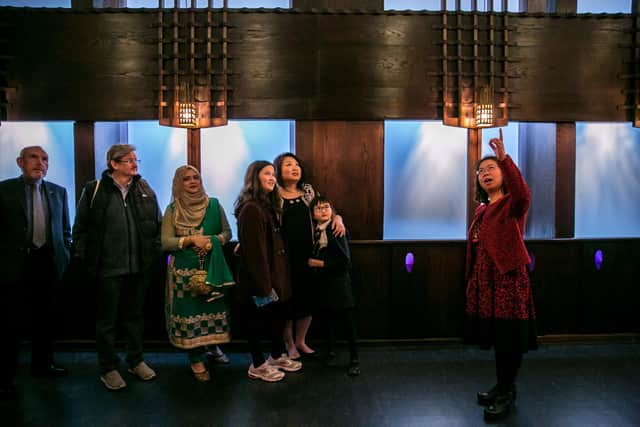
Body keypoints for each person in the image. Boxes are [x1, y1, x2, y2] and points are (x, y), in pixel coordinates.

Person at [72, 144, 162, 391]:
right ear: (114, 164)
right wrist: (88, 257)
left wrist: (153, 254)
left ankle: (135, 360)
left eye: (136, 159)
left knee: (135, 318)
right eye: (129, 160)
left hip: (139, 268)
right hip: (107, 268)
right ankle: (108, 367)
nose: (134, 163)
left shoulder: (144, 188)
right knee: (107, 321)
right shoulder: (95, 190)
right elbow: (79, 229)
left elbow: (157, 222)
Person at [464, 129, 537, 421]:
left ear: (504, 174)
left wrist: (504, 157)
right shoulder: (481, 210)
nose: (485, 173)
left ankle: (508, 392)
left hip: (508, 280)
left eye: (491, 168)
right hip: (486, 281)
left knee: (510, 338)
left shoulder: (512, 204)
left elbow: (524, 192)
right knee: (498, 338)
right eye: (481, 171)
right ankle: (502, 385)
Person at [0, 146, 71, 400]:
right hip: (15, 265)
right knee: (10, 324)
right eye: (34, 157)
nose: (40, 163)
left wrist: (64, 254)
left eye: (45, 159)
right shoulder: (5, 190)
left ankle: (42, 366)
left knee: (46, 320)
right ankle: (5, 377)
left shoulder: (58, 192)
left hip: (47, 263)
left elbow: (65, 230)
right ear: (20, 162)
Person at [161, 165, 234, 382]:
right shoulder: (172, 210)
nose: (193, 182)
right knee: (190, 316)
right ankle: (195, 358)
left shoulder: (214, 205)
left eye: (196, 178)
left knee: (212, 309)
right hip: (183, 273)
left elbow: (227, 233)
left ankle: (212, 347)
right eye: (186, 179)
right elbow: (165, 242)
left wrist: (213, 241)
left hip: (211, 269)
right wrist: (190, 240)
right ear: (178, 183)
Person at [234, 160, 302, 382]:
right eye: (267, 174)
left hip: (276, 276)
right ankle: (257, 365)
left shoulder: (266, 205)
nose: (272, 178)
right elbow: (255, 254)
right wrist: (264, 286)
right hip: (260, 279)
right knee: (254, 322)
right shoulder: (251, 208)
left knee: (278, 319)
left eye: (273, 174)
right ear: (255, 178)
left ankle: (275, 356)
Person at [273, 152, 345, 360]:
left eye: (297, 165)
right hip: (283, 258)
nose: (294, 168)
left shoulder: (307, 191)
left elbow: (327, 210)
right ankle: (289, 344)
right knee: (286, 302)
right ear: (279, 170)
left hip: (310, 256)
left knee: (308, 300)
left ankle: (300, 341)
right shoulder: (273, 194)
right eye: (288, 165)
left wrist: (338, 218)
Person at [307, 196, 360, 376]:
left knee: (347, 322)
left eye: (326, 207)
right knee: (328, 318)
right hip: (325, 283)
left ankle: (354, 359)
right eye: (318, 208)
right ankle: (331, 351)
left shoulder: (335, 229)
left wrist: (320, 264)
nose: (323, 210)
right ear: (312, 214)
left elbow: (345, 261)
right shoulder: (315, 230)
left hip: (339, 283)